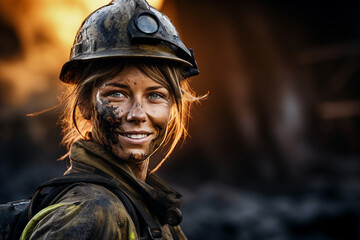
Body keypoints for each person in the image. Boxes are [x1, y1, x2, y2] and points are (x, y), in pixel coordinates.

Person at [19, 0, 201, 239]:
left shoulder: (148, 207)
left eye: (155, 95)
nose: (137, 113)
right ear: (84, 104)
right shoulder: (91, 212)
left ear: (173, 106)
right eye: (117, 94)